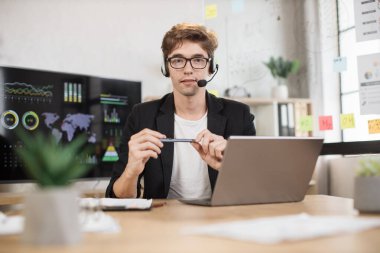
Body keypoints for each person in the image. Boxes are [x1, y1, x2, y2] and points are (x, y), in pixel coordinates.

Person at [106, 23, 256, 199]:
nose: (188, 69)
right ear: (166, 68)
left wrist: (230, 167)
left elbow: (256, 191)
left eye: (198, 60)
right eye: (178, 60)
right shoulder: (141, 116)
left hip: (220, 220)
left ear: (211, 67)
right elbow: (115, 197)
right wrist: (131, 171)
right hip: (162, 221)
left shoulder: (239, 115)